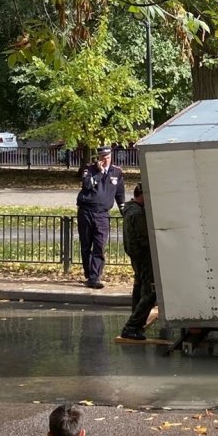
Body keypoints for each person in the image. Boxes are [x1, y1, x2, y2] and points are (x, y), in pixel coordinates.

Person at [76, 144, 125, 288]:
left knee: (99, 245)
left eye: (108, 157)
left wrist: (123, 210)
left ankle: (94, 277)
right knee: (86, 245)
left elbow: (119, 193)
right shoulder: (89, 170)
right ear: (98, 158)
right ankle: (89, 273)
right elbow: (87, 185)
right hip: (86, 212)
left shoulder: (117, 172)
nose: (105, 160)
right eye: (103, 157)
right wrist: (100, 172)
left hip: (102, 214)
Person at [120, 184, 156, 340]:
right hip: (144, 256)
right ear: (143, 195)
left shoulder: (130, 210)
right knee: (150, 292)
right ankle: (132, 326)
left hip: (136, 256)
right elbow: (144, 239)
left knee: (139, 287)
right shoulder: (138, 213)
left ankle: (135, 322)